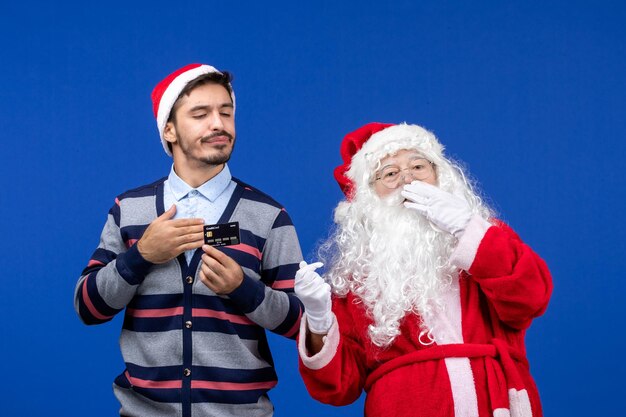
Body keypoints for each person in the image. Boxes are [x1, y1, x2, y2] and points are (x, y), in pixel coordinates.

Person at [74, 63, 304, 417]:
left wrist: (245, 289)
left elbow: (304, 324)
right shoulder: (129, 209)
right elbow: (88, 308)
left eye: (226, 112)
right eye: (200, 114)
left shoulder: (269, 215)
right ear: (169, 130)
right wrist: (141, 256)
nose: (218, 124)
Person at [295, 122, 552, 417]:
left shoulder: (487, 237)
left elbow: (531, 299)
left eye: (418, 167)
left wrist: (466, 227)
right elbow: (339, 386)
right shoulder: (357, 275)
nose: (407, 179)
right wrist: (319, 321)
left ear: (440, 174)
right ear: (370, 196)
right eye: (390, 173)